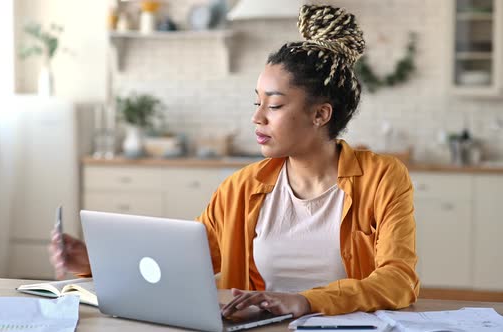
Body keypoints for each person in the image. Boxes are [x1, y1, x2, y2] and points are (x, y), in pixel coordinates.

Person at [49, 4, 419, 318]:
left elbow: (399, 279)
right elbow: (183, 266)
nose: (257, 118)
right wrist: (92, 264)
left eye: (273, 105)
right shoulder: (242, 187)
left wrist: (306, 301)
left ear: (320, 115)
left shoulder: (382, 178)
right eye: (256, 102)